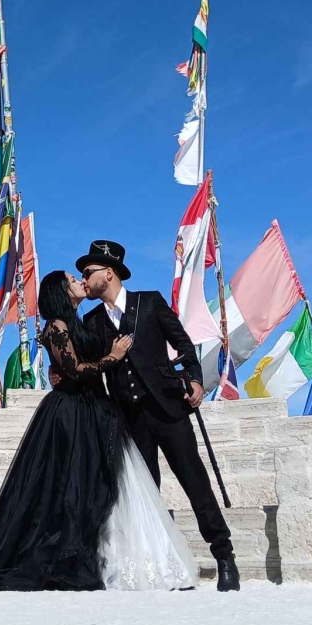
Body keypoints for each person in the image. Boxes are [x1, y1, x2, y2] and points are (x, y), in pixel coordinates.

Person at [0, 269, 196, 594]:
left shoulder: (78, 322)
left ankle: (138, 563)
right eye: (72, 280)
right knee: (72, 488)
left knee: (112, 487)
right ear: (61, 292)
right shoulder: (56, 326)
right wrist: (112, 358)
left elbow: (70, 362)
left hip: (98, 411)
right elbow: (74, 371)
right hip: (72, 414)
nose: (79, 281)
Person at [78, 239, 241, 591]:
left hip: (169, 410)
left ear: (109, 273)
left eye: (88, 273)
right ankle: (155, 568)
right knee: (144, 495)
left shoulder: (149, 303)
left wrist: (195, 380)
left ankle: (225, 558)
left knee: (195, 483)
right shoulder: (91, 321)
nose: (84, 279)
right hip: (129, 419)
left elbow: (184, 344)